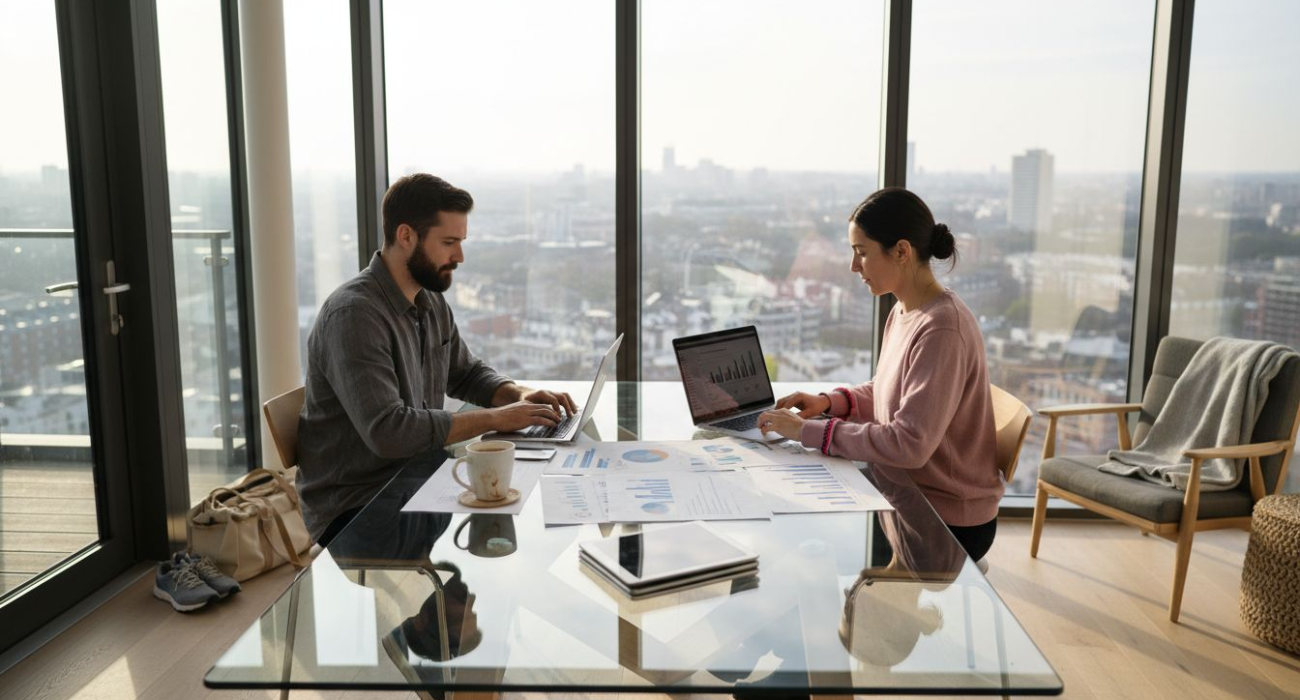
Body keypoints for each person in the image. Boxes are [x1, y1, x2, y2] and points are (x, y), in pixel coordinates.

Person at [297, 173, 576, 545]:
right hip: (359, 506)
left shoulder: (428, 300)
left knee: (536, 502)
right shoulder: (354, 316)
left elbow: (465, 373)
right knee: (518, 535)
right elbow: (389, 433)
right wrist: (496, 419)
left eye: (460, 242)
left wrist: (518, 395)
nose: (459, 256)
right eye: (449, 242)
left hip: (419, 475)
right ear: (406, 235)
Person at [758, 187, 1003, 561]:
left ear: (902, 251)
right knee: (792, 524)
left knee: (800, 548)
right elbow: (890, 389)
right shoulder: (906, 311)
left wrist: (805, 431)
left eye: (861, 253)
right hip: (904, 490)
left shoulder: (942, 329)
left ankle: (853, 616)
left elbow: (909, 444)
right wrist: (830, 403)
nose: (854, 267)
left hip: (943, 519)